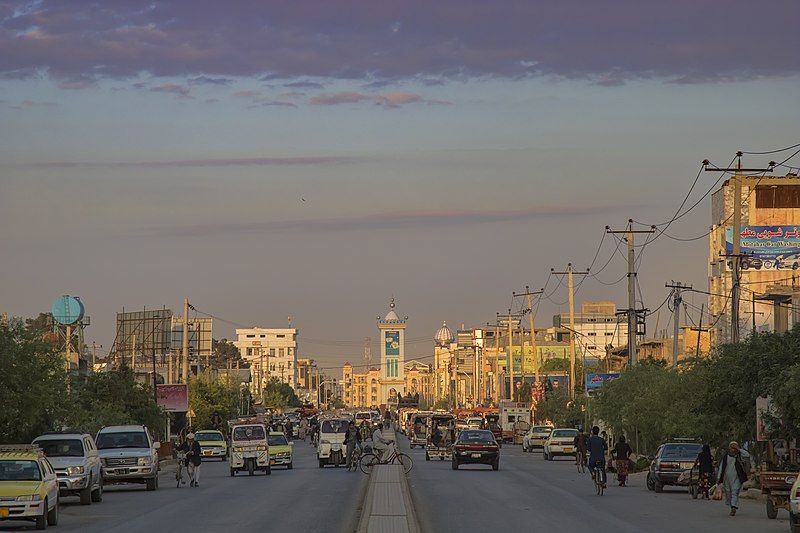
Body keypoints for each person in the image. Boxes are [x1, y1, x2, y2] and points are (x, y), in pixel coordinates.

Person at [718, 441, 748, 516]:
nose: (733, 449)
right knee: (728, 493)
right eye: (732, 447)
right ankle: (732, 505)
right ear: (729, 448)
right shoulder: (725, 457)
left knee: (734, 491)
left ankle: (733, 507)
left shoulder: (739, 455)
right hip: (726, 478)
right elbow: (721, 468)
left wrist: (739, 449)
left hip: (737, 477)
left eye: (734, 447)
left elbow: (747, 455)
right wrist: (718, 478)